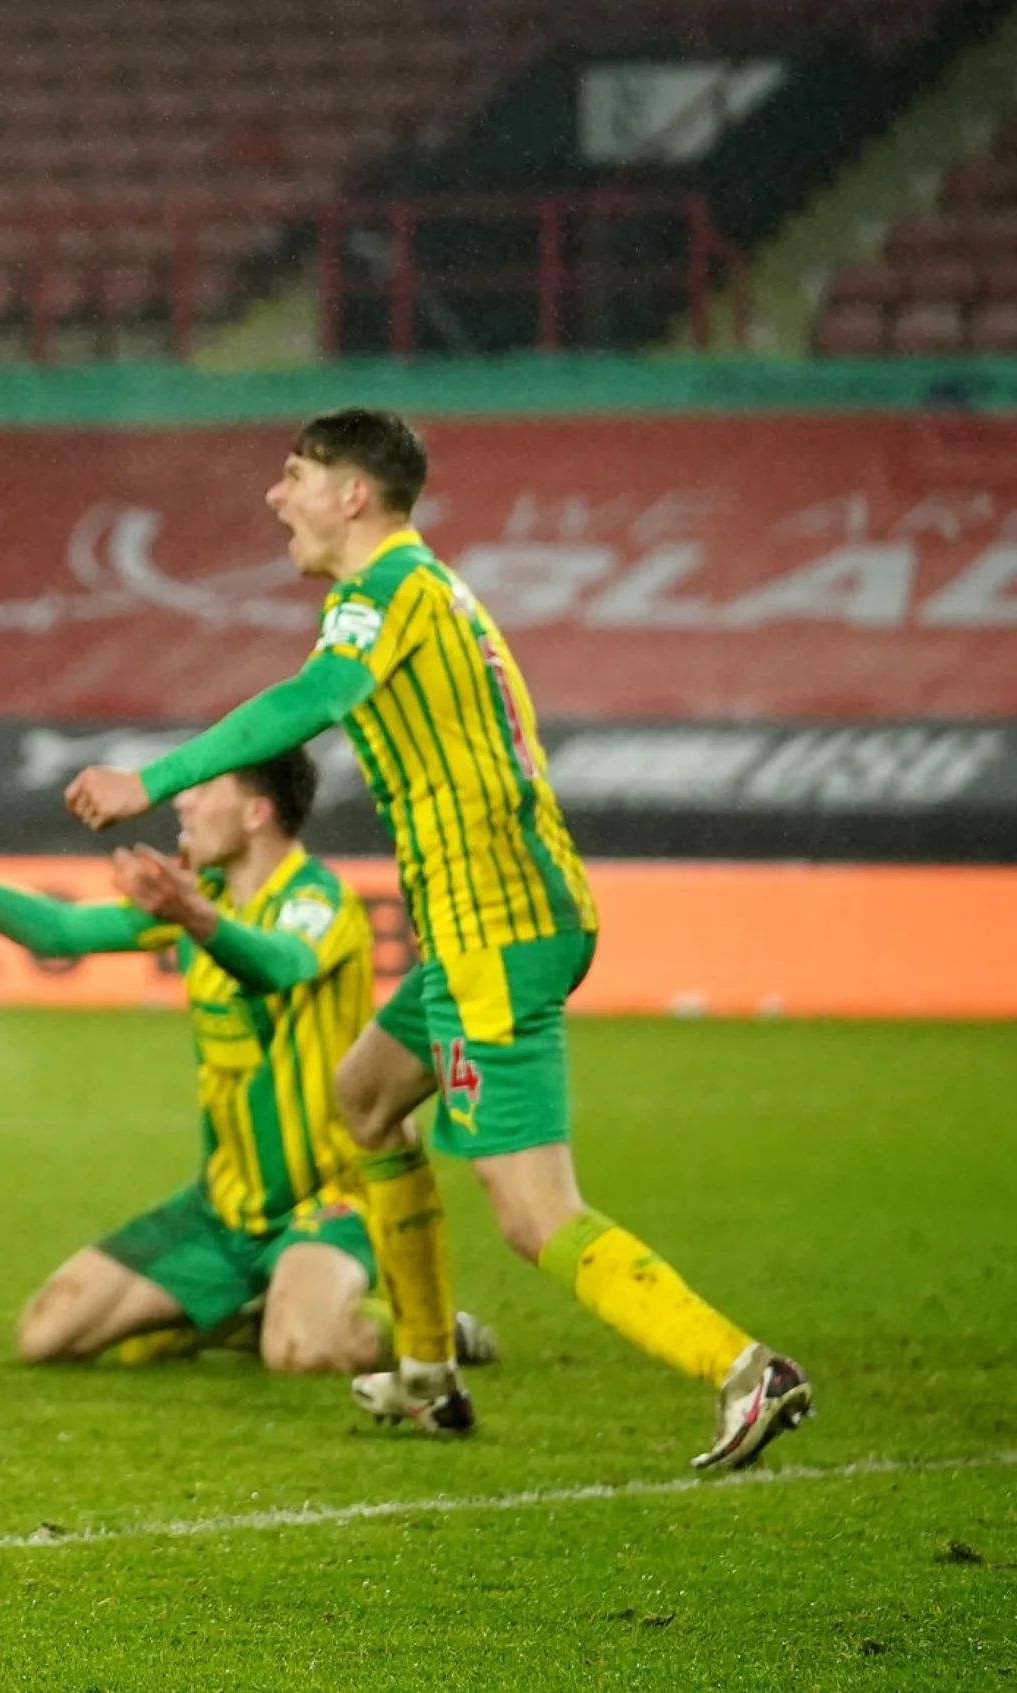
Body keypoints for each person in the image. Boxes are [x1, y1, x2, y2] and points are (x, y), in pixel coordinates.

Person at [64, 408, 811, 1470]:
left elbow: (315, 697)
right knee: (366, 1098)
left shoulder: (390, 589)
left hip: (498, 932)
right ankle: (425, 1371)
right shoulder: (411, 592)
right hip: (477, 930)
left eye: (295, 475)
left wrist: (151, 777)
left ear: (352, 494)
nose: (276, 495)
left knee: (534, 1211)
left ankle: (742, 1367)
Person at [0, 757, 495, 1377]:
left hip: (331, 1199)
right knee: (47, 1335)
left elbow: (279, 966)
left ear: (256, 812)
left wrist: (197, 919)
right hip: (225, 1207)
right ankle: (250, 1311)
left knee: (303, 1352)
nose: (182, 801)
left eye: (203, 788)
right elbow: (60, 931)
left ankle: (430, 1329)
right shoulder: (199, 899)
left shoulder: (318, 902)